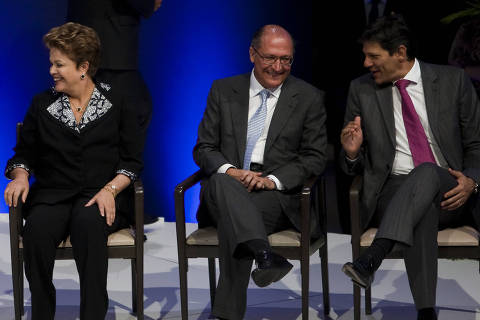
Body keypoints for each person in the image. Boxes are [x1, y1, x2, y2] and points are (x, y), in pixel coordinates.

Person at [340, 14, 480, 320]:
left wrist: (471, 181)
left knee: (428, 172)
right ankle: (426, 312)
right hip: (392, 192)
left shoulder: (452, 81)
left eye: (373, 56)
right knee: (422, 203)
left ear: (400, 53)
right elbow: (352, 168)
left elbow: (476, 144)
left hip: (451, 190)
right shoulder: (360, 91)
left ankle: (372, 258)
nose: (366, 64)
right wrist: (351, 153)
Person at [3, 22, 143, 320]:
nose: (52, 70)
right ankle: (41, 312)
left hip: (99, 194)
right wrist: (22, 175)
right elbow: (24, 154)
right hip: (52, 194)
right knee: (37, 230)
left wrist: (111, 189)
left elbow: (131, 161)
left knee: (88, 224)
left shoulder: (117, 101)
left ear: (83, 66)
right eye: (51, 63)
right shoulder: (42, 104)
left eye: (59, 64)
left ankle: (92, 314)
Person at [193, 25, 327, 320]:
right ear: (252, 54)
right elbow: (204, 148)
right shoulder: (223, 90)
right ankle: (264, 255)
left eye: (286, 59)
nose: (278, 67)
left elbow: (315, 157)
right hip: (226, 189)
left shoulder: (308, 97)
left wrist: (272, 180)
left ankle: (230, 309)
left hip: (273, 197)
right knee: (221, 181)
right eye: (270, 58)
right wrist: (232, 172)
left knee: (237, 220)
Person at [67, 0, 162, 224]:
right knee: (125, 121)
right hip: (111, 52)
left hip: (96, 47)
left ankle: (121, 205)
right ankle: (120, 208)